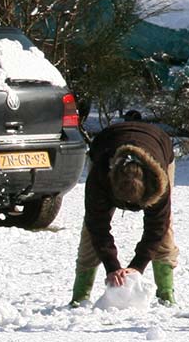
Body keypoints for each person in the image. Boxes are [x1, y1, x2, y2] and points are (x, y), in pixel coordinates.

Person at [70, 119, 177, 307]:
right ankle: (80, 296)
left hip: (157, 144)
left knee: (165, 231)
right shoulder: (100, 175)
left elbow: (157, 227)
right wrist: (112, 267)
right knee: (89, 231)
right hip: (106, 144)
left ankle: (167, 293)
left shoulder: (159, 181)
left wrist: (137, 267)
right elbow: (97, 224)